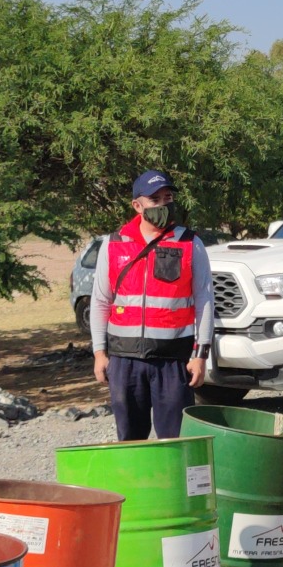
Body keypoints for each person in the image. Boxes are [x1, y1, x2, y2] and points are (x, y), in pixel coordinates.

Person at [90, 170, 214, 441]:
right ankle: (133, 485)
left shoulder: (190, 242)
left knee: (176, 441)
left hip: (172, 361)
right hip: (124, 361)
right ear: (137, 205)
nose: (162, 205)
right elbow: (100, 301)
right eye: (154, 199)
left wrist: (201, 355)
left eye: (167, 197)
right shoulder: (113, 244)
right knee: (130, 441)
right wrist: (100, 353)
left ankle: (173, 485)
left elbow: (205, 301)